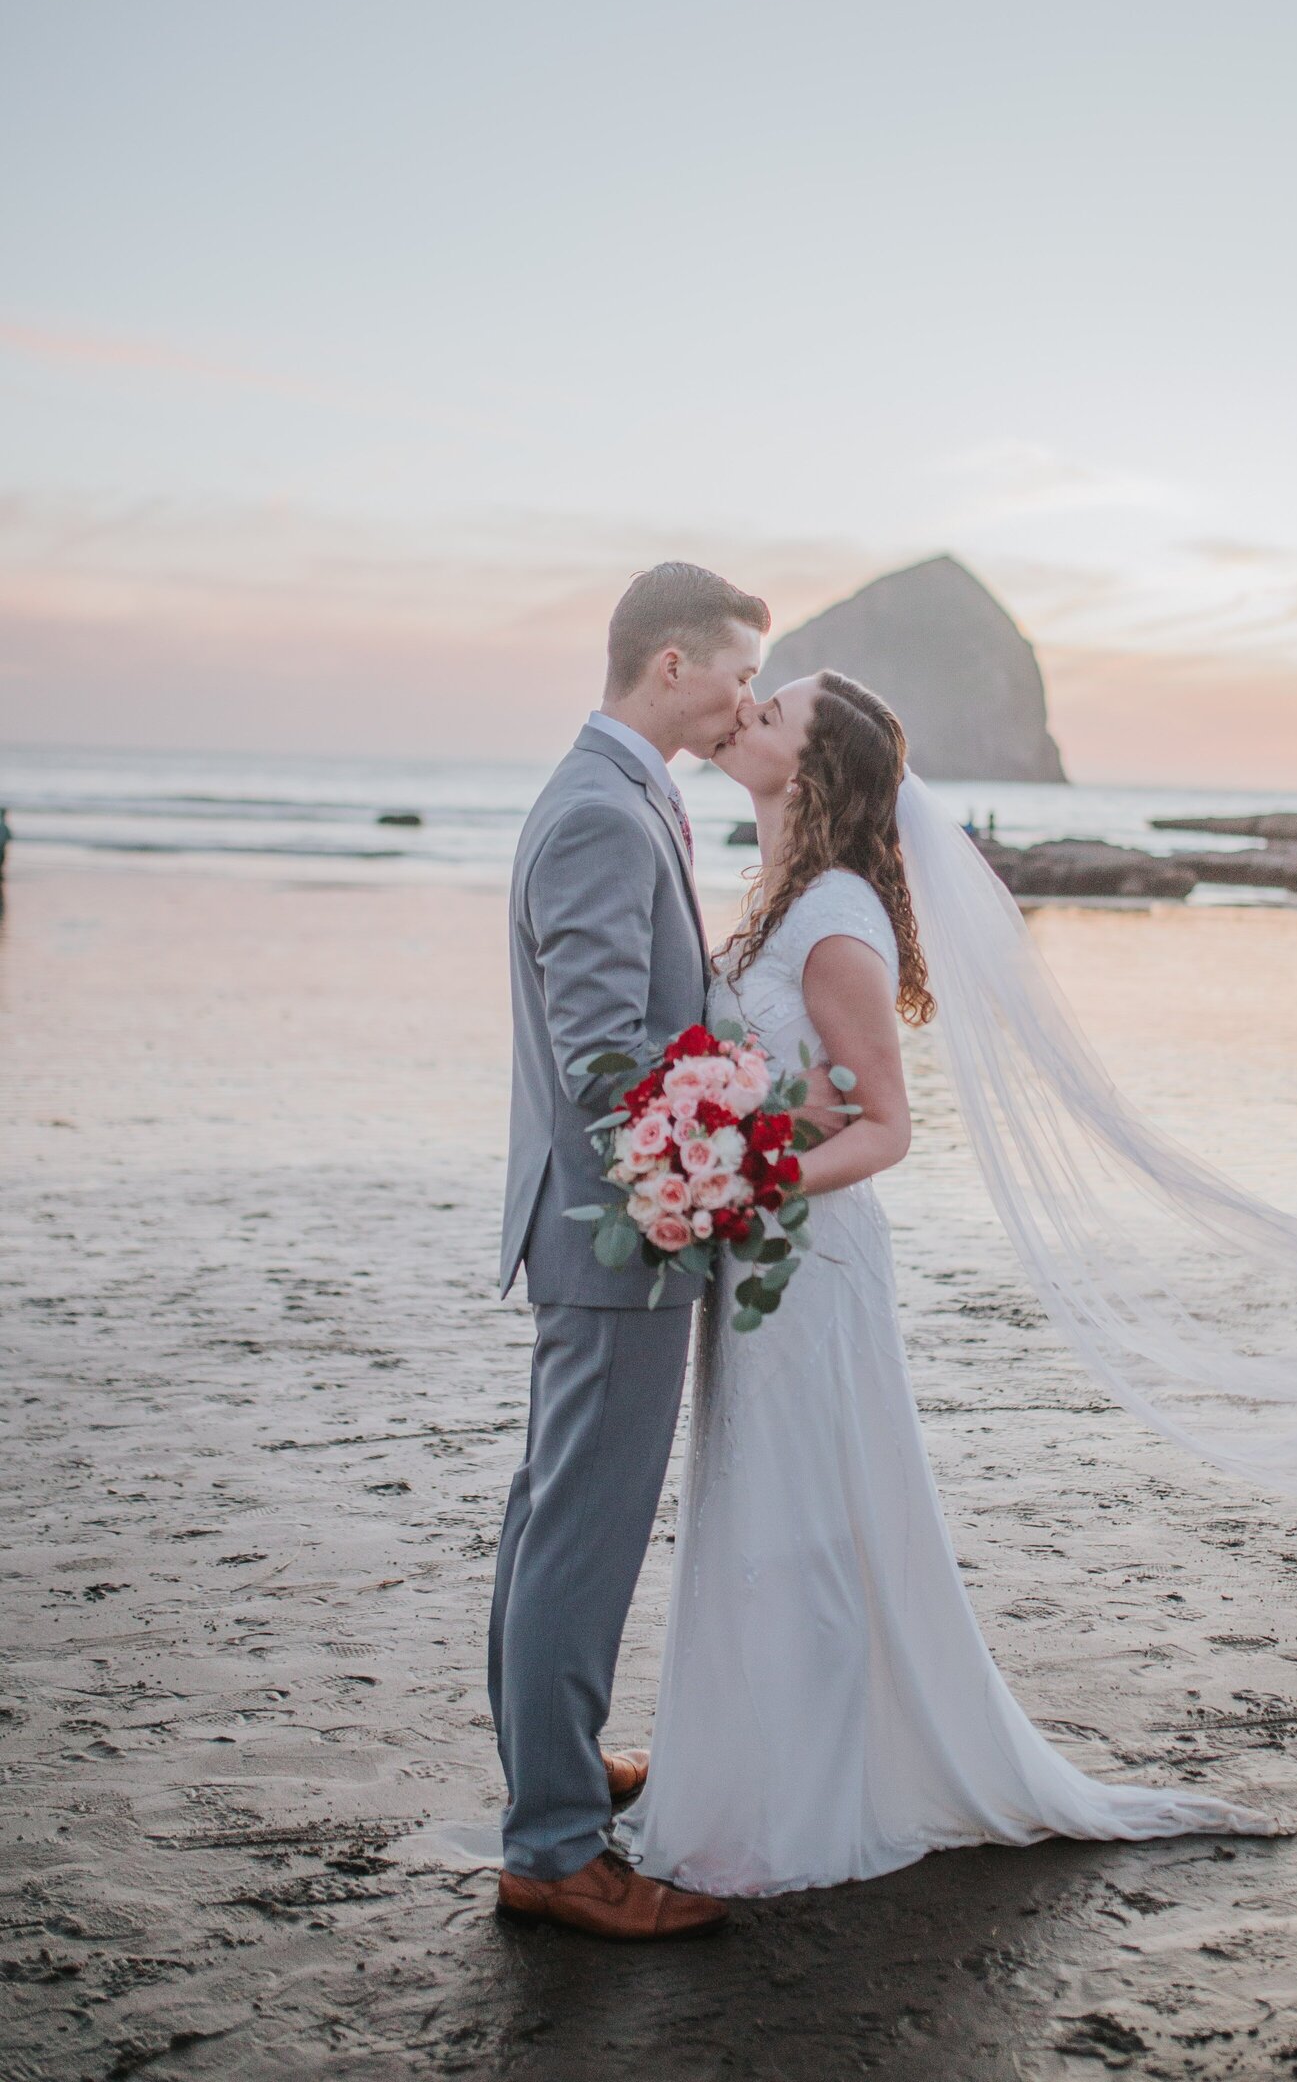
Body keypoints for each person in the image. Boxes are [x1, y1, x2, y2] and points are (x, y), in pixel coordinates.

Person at [615, 672, 1279, 1895]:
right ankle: (746, 1765)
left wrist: (738, 1186)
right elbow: (786, 1090)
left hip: (806, 1267)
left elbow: (883, 1130)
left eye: (776, 713)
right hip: (762, 1253)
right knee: (754, 1512)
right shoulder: (777, 899)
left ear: (811, 774)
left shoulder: (834, 914)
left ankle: (798, 1804)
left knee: (804, 1526)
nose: (749, 711)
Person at [487, 562, 771, 1941]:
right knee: (581, 1534)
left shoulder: (625, 790)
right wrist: (705, 1166)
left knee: (559, 1515)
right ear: (673, 665)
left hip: (613, 1224)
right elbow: (607, 1055)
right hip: (622, 1230)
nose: (745, 702)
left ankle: (559, 1770)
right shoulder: (604, 811)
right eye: (738, 674)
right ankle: (552, 1846)